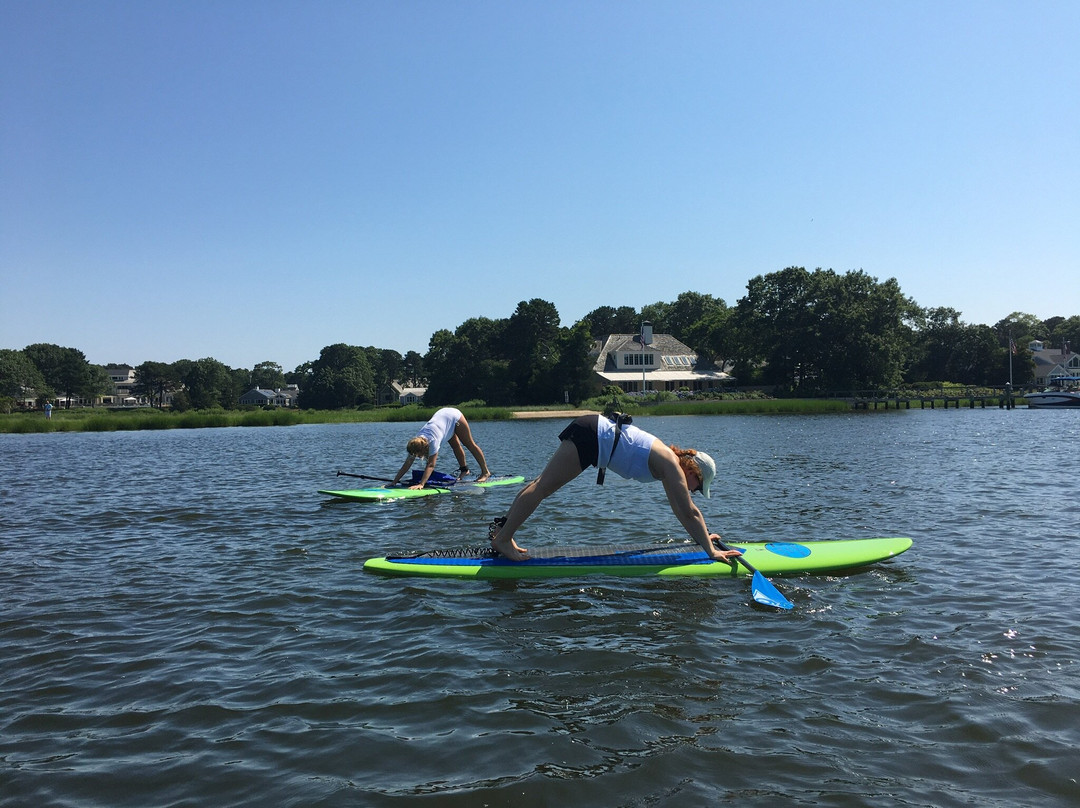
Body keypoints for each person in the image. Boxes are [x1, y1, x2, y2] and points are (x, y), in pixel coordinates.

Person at [488, 413, 741, 563]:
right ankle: (503, 538)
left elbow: (680, 509)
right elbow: (689, 511)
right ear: (693, 471)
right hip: (592, 436)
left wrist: (702, 536)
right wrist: (710, 552)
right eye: (698, 487)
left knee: (539, 485)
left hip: (591, 431)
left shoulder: (669, 465)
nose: (694, 491)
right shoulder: (671, 465)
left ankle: (504, 532)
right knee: (542, 488)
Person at [390, 407, 492, 489]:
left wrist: (421, 484)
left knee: (469, 444)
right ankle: (464, 470)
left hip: (454, 417)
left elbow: (431, 465)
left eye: (417, 455)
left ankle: (485, 472)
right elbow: (407, 464)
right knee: (455, 446)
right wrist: (394, 482)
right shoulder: (416, 443)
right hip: (442, 422)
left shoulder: (433, 441)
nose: (416, 457)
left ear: (422, 449)